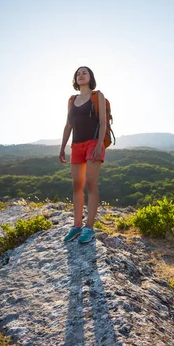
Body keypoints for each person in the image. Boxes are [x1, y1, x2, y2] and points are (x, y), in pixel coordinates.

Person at [59, 66, 107, 243]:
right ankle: (77, 226)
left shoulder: (97, 96)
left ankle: (89, 228)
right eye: (78, 74)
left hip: (94, 143)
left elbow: (102, 123)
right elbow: (68, 126)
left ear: (90, 77)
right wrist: (63, 147)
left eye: (84, 73)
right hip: (76, 145)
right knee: (76, 185)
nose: (80, 75)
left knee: (90, 183)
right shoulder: (72, 100)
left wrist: (99, 145)